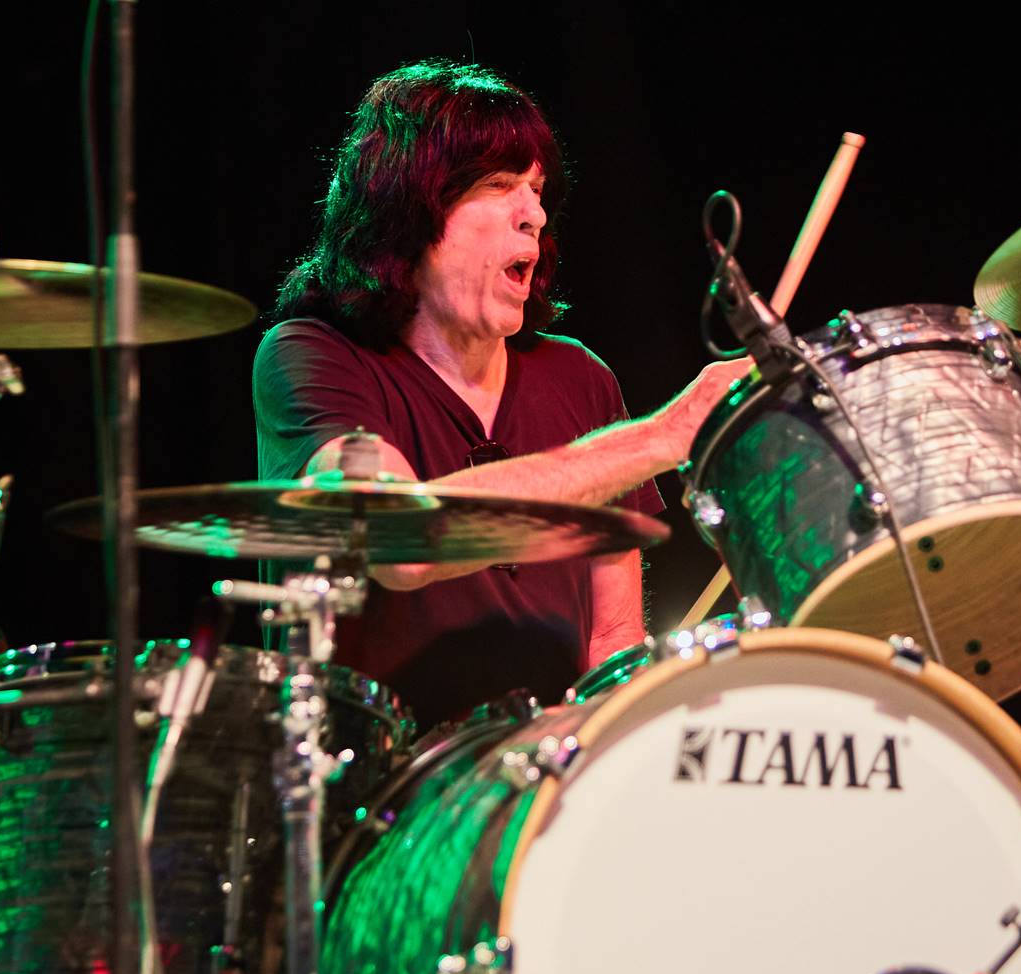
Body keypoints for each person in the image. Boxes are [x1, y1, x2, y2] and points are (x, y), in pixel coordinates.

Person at [254, 59, 749, 728]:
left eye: (539, 189)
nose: (535, 214)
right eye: (500, 184)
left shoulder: (581, 378)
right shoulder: (314, 357)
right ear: (410, 208)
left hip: (545, 786)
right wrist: (663, 435)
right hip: (383, 802)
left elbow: (612, 644)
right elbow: (405, 545)